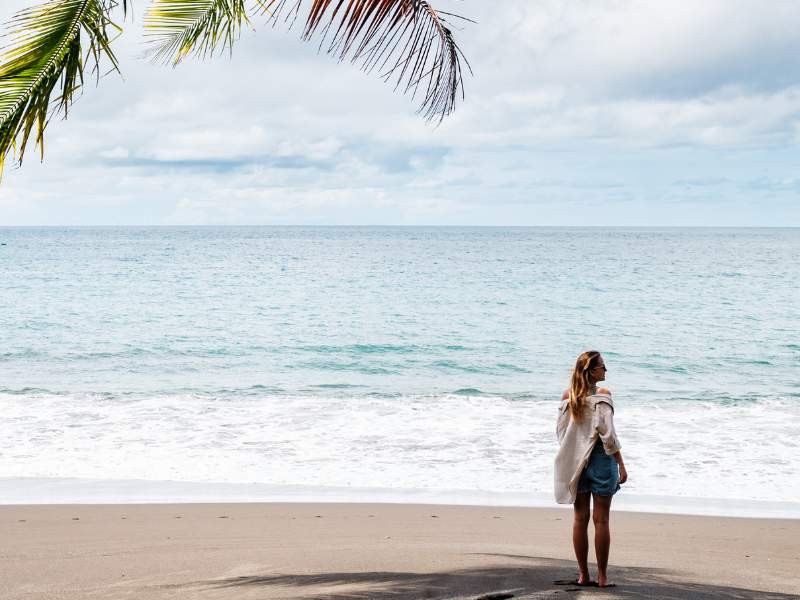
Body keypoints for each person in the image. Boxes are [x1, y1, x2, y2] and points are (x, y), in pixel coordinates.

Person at [554, 351, 627, 588]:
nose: (606, 371)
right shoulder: (602, 395)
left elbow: (562, 434)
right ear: (592, 371)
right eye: (603, 367)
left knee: (579, 518)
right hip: (601, 461)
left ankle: (584, 575)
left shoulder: (569, 396)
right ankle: (603, 577)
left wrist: (574, 456)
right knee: (601, 520)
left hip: (577, 462)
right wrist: (621, 463)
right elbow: (607, 434)